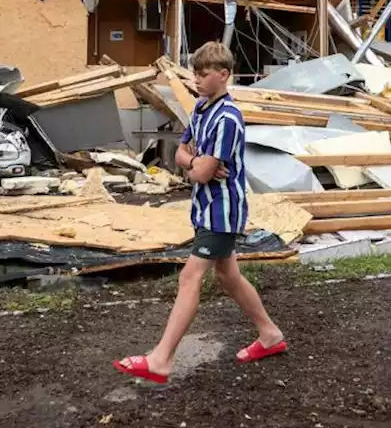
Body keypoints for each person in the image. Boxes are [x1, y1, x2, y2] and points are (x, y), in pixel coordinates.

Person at [113, 41, 285, 383]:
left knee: (190, 277)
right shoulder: (202, 109)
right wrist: (194, 162)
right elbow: (182, 155)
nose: (196, 80)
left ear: (223, 75)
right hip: (206, 208)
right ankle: (270, 335)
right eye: (194, 73)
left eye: (203, 74)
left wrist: (195, 167)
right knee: (228, 275)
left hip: (222, 211)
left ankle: (161, 359)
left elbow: (202, 173)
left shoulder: (228, 118)